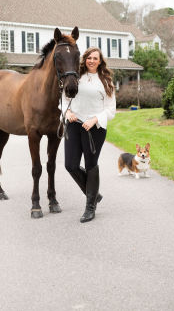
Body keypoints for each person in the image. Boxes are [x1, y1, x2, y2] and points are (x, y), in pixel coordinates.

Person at [62, 47, 116, 223]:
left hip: (95, 128)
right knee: (70, 165)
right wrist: (67, 112)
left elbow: (111, 110)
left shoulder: (106, 81)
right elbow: (63, 99)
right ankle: (93, 194)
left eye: (95, 58)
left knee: (91, 164)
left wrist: (95, 119)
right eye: (89, 58)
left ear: (100, 61)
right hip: (74, 124)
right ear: (85, 59)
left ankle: (90, 207)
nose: (91, 61)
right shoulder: (76, 76)